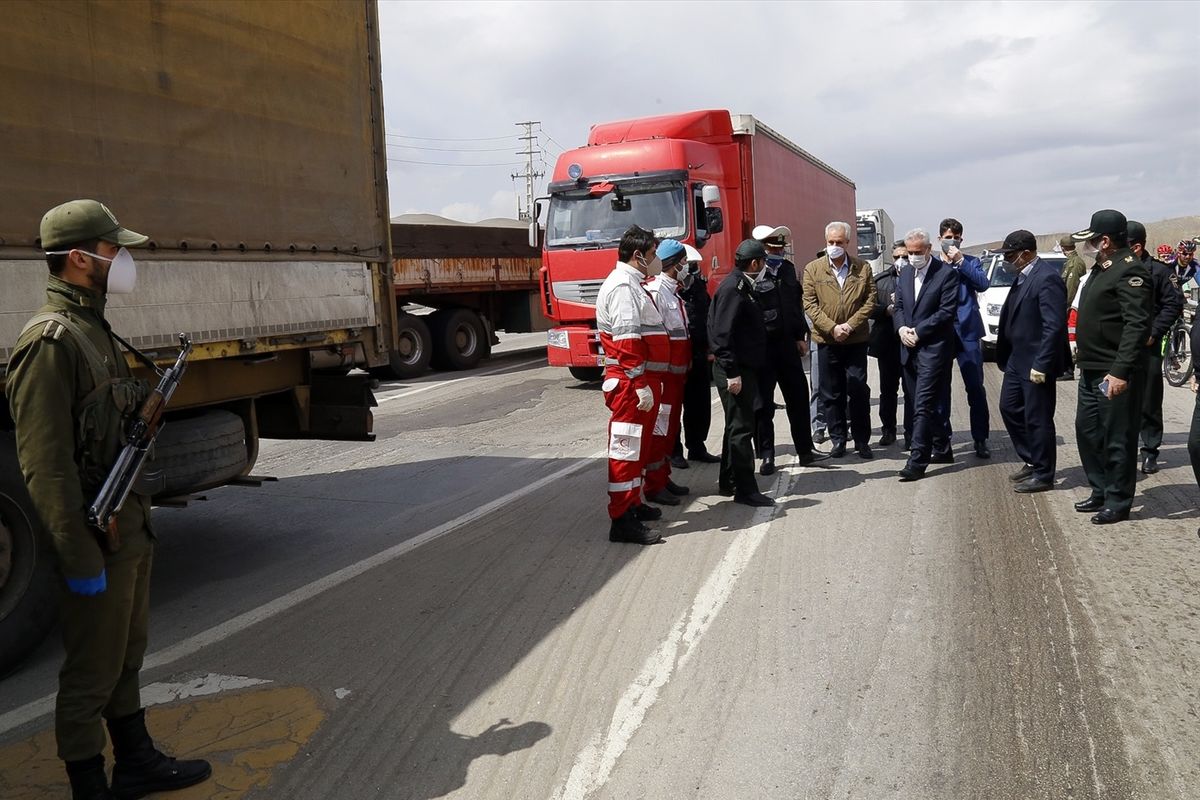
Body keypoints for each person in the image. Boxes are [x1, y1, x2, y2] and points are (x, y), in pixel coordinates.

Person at [6, 200, 212, 800]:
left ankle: (136, 760)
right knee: (90, 672)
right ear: (79, 258)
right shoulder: (50, 343)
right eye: (112, 248)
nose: (123, 259)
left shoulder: (95, 326)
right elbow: (45, 470)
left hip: (129, 524)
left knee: (125, 654)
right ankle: (88, 783)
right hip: (95, 538)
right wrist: (78, 559)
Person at [1071, 209, 1152, 524]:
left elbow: (1136, 326)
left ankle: (1118, 501)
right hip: (1091, 368)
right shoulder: (1100, 269)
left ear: (1104, 240)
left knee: (1117, 436)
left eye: (1091, 239)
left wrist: (1119, 371)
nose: (1087, 245)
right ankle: (1101, 489)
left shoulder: (1129, 271)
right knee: (1087, 430)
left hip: (1113, 370)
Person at [594, 225, 668, 544]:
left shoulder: (634, 283)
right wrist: (639, 382)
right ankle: (621, 520)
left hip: (637, 380)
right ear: (638, 255)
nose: (655, 260)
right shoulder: (624, 286)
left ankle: (634, 503)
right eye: (652, 255)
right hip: (629, 384)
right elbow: (626, 339)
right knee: (625, 450)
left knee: (636, 448)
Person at [994, 230, 1068, 493]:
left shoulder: (1046, 278)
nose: (1007, 260)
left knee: (1038, 418)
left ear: (1026, 254)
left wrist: (1043, 364)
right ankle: (1032, 458)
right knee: (1009, 408)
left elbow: (1054, 326)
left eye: (1011, 255)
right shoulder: (1022, 276)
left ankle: (1044, 473)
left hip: (1036, 362)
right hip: (1016, 359)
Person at [751, 224, 823, 474]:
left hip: (787, 346)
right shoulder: (754, 273)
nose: (778, 252)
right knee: (762, 405)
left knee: (798, 399)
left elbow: (795, 306)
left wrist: (801, 335)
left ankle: (805, 450)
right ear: (763, 249)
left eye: (780, 248)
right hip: (763, 349)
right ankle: (766, 454)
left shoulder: (789, 270)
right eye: (773, 248)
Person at [802, 221, 877, 458]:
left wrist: (849, 325)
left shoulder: (862, 268)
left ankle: (862, 441)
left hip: (855, 341)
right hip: (827, 341)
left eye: (839, 242)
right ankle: (838, 439)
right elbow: (810, 304)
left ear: (847, 243)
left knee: (857, 389)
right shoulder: (813, 269)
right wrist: (832, 328)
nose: (834, 246)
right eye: (830, 242)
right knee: (831, 393)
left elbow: (869, 301)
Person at [708, 239, 775, 506]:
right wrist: (732, 372)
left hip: (741, 367)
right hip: (734, 370)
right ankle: (746, 490)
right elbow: (721, 335)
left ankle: (729, 480)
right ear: (755, 263)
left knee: (735, 426)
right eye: (763, 262)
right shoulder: (734, 290)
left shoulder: (743, 285)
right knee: (741, 430)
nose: (764, 267)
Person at [893, 228, 960, 481]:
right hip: (908, 347)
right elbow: (899, 305)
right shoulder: (906, 272)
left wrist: (918, 332)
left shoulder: (945, 275)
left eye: (917, 252)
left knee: (922, 405)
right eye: (909, 253)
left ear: (928, 249)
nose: (913, 257)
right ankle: (942, 447)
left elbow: (946, 312)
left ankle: (917, 460)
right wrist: (901, 329)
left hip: (933, 348)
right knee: (917, 401)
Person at [1129, 221, 1185, 475]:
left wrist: (1155, 332)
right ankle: (1123, 449)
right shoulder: (1117, 270)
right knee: (1121, 401)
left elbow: (1172, 305)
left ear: (1137, 246)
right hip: (1120, 346)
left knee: (1149, 399)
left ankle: (1150, 450)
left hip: (1147, 346)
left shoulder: (1160, 272)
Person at [936, 218, 992, 458]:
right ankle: (942, 441)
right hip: (941, 330)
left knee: (975, 387)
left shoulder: (970, 262)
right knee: (940, 389)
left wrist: (959, 260)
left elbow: (982, 284)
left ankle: (980, 438)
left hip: (967, 330)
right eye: (948, 237)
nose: (952, 241)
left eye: (956, 238)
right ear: (939, 239)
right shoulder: (933, 265)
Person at [643, 239, 692, 503]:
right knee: (660, 432)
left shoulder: (673, 290)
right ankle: (653, 485)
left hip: (676, 376)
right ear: (674, 264)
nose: (687, 267)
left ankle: (663, 476)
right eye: (684, 262)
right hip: (665, 377)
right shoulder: (658, 291)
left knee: (670, 429)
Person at [671, 243, 721, 467]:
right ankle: (674, 452)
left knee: (699, 405)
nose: (690, 271)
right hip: (678, 357)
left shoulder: (698, 289)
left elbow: (709, 318)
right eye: (686, 266)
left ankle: (697, 446)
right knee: (674, 406)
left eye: (692, 267)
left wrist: (712, 348)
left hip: (699, 355)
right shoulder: (666, 291)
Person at [869, 242, 906, 446]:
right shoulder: (881, 281)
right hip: (888, 345)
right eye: (898, 256)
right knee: (888, 391)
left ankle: (911, 431)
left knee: (912, 392)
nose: (902, 260)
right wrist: (886, 310)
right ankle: (888, 430)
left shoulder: (919, 279)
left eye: (906, 256)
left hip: (911, 345)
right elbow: (869, 308)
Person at [1059, 234, 1087, 381]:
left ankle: (1071, 370)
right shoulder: (1069, 262)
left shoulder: (1075, 264)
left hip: (1073, 308)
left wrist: (1066, 307)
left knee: (1073, 339)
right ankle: (1068, 368)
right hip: (1071, 307)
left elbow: (1071, 288)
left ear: (1064, 248)